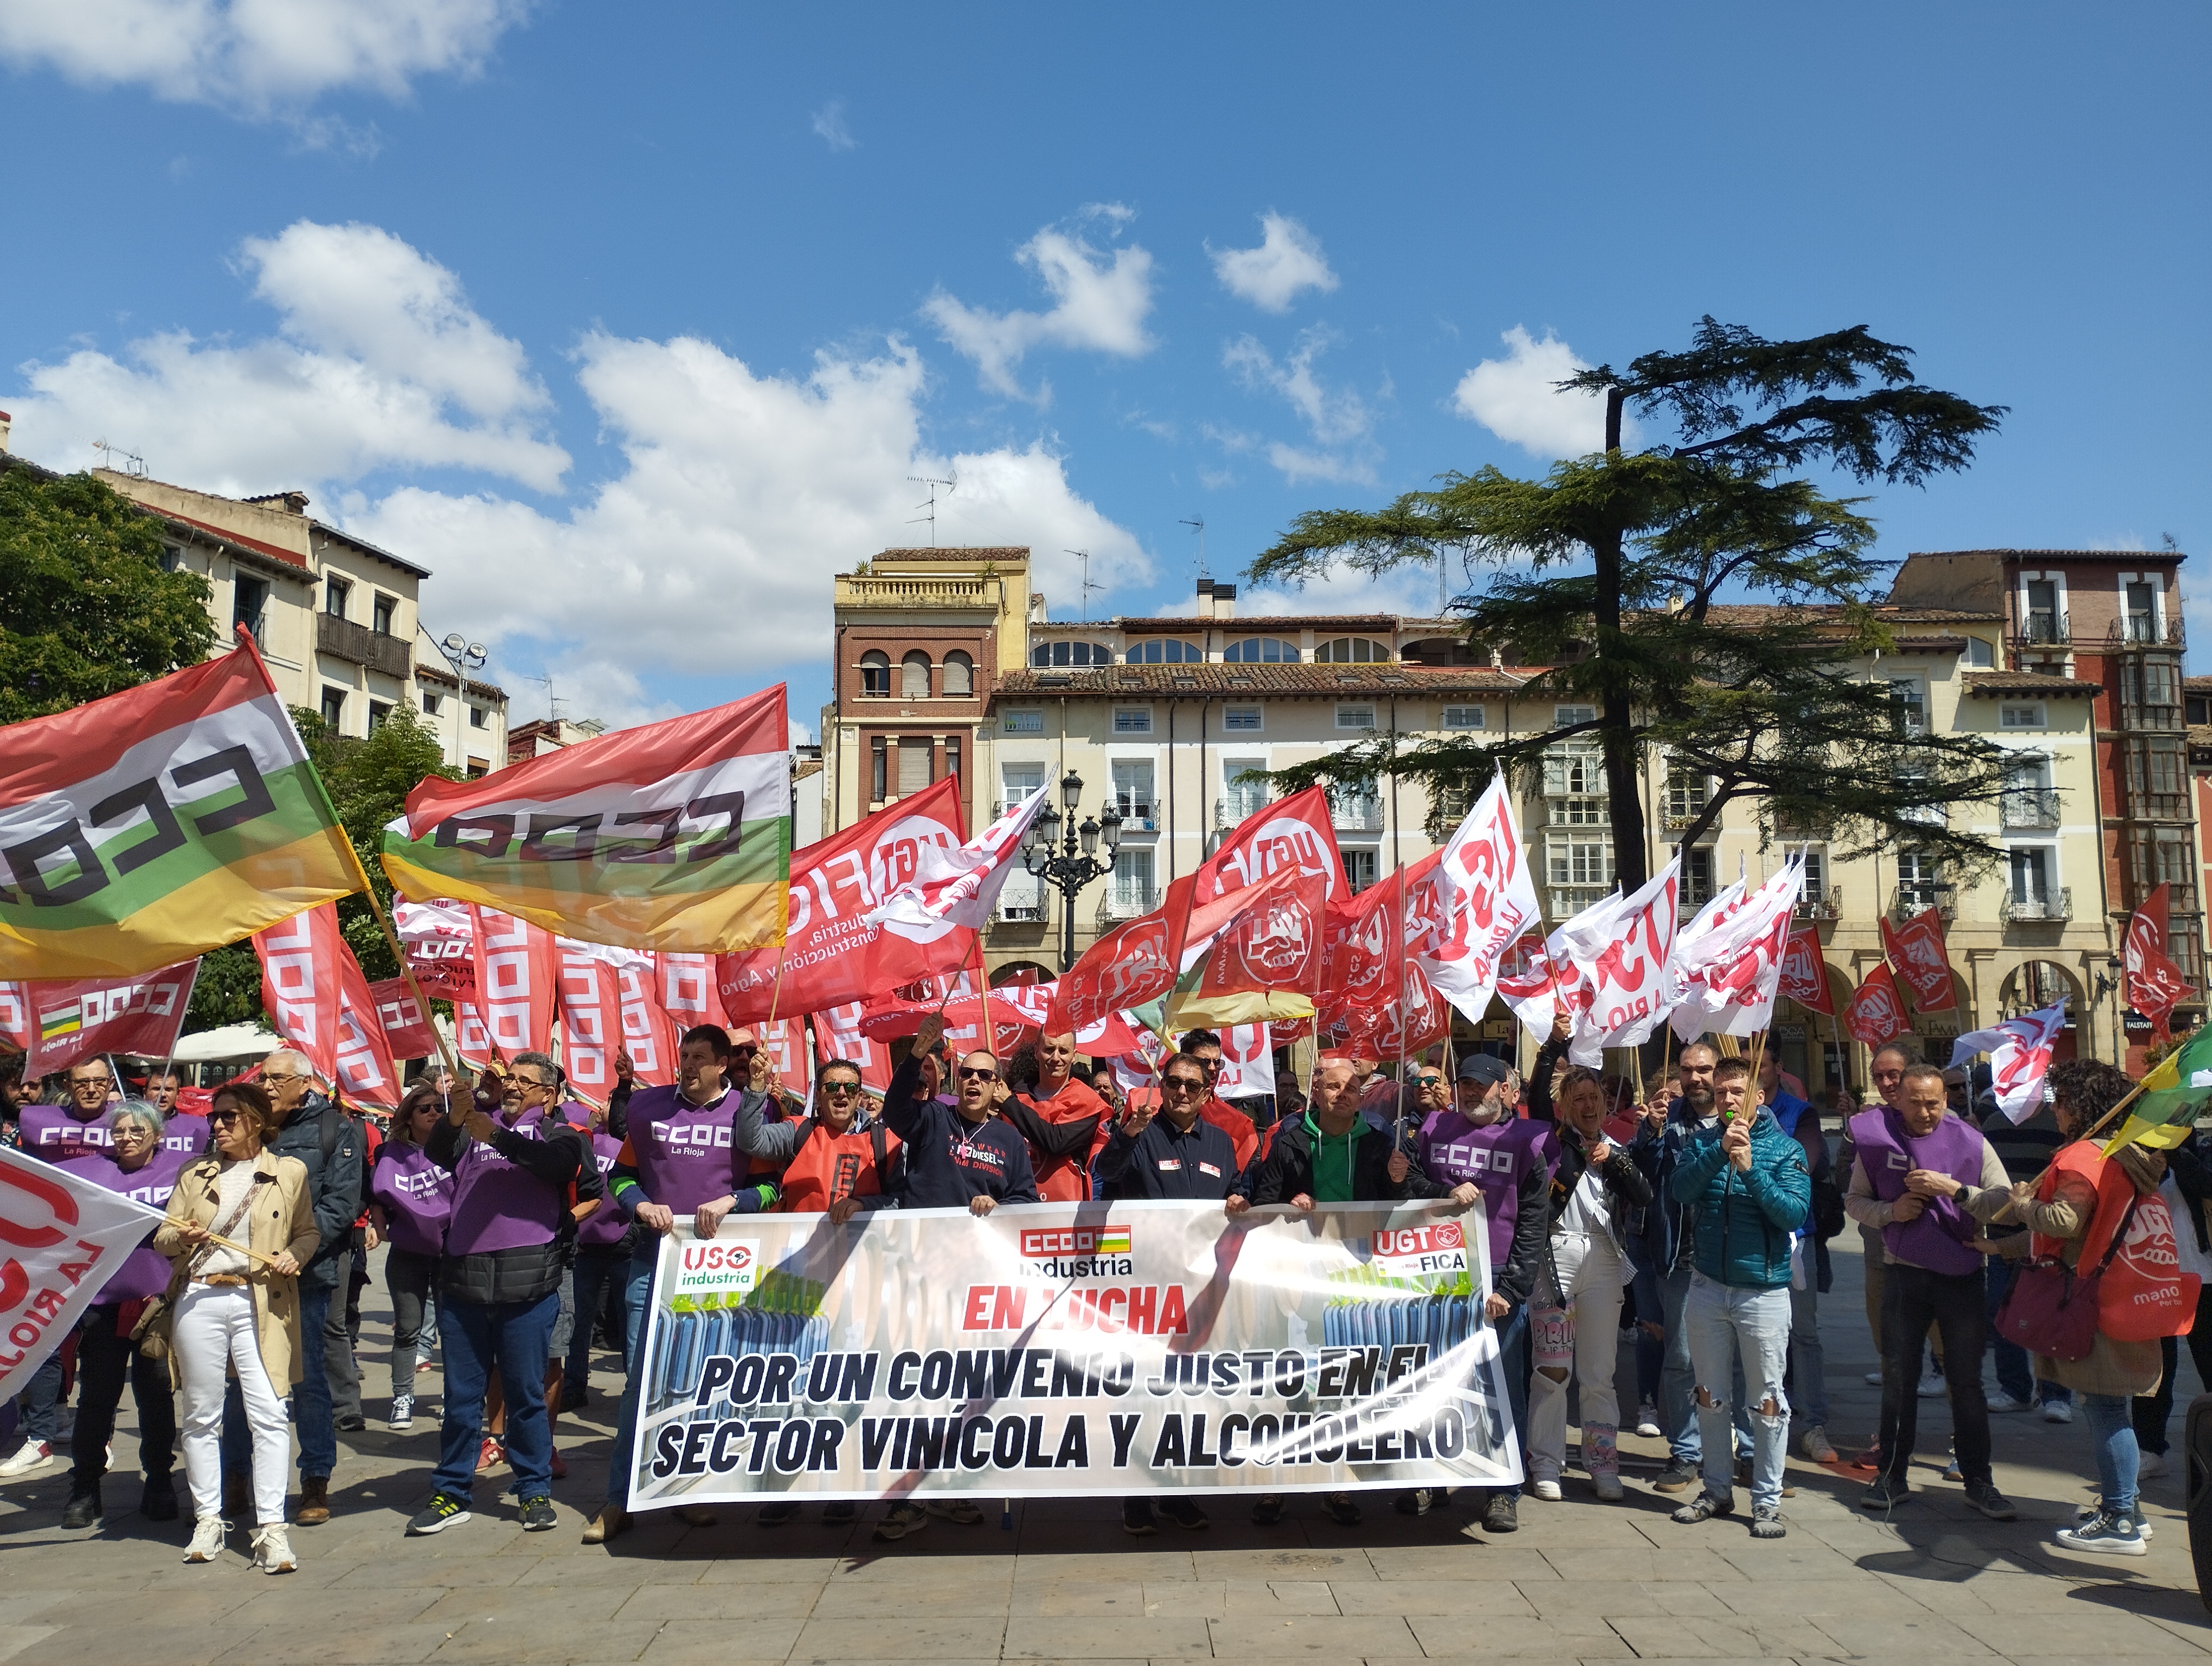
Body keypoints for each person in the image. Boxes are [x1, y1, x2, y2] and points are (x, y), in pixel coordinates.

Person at [586, 1025, 771, 1546]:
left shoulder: (747, 1112)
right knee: (642, 1381)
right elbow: (619, 1178)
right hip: (655, 1263)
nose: (688, 1065)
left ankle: (685, 1489)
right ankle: (621, 1497)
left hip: (725, 1268)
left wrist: (733, 1202)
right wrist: (639, 1205)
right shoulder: (646, 1109)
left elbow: (770, 1184)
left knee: (708, 1382)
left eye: (699, 1058)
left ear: (720, 1065)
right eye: (683, 1055)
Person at [407, 1054, 600, 1537]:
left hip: (528, 1283)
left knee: (526, 1396)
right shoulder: (477, 1125)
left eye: (523, 1081)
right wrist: (456, 1121)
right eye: (509, 1078)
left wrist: (489, 1133)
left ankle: (533, 1489)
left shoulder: (563, 1134)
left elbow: (553, 1166)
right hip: (465, 1280)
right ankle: (451, 1491)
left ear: (548, 1095)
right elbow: (438, 1154)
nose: (511, 1085)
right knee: (460, 1398)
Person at [870, 1016, 1037, 1543]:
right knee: (916, 1388)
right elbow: (895, 1112)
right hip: (919, 1275)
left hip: (977, 1285)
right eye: (966, 1073)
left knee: (963, 1389)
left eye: (984, 1077)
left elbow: (1028, 1204)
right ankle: (904, 1498)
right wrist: (909, 1063)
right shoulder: (931, 1121)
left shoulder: (1010, 1142)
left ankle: (950, 1488)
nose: (972, 1081)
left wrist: (1002, 1205)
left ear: (996, 1088)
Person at [1996, 1059, 2174, 1555]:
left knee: (2106, 1406)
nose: (2054, 1111)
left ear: (2078, 1106)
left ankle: (2118, 1516)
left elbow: (2062, 1221)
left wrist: (2021, 1202)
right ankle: (2130, 1509)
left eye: (2059, 1101)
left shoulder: (2082, 1157)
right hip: (2130, 1290)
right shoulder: (2128, 1154)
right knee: (2116, 1405)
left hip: (2093, 1295)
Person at [155, 1082, 318, 1574]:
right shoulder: (194, 1173)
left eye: (229, 1117)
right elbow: (162, 1235)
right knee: (202, 1414)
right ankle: (209, 1518)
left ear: (256, 1120)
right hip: (200, 1296)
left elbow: (307, 1231)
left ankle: (273, 1528)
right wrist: (181, 1236)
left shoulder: (287, 1173)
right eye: (215, 1118)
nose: (219, 1126)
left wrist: (295, 1254)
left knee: (269, 1411)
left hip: (261, 1299)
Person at [1844, 1061, 2017, 1518]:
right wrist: (1891, 1212)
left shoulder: (1971, 1141)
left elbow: (2004, 1204)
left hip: (1960, 1275)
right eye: (1916, 1103)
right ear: (1897, 1099)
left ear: (1947, 1100)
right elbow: (1854, 1201)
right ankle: (1892, 1475)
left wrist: (1955, 1190)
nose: (1925, 1113)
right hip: (1903, 1273)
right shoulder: (1876, 1140)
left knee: (1967, 1382)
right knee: (1899, 1377)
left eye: (1934, 1103)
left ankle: (1979, 1480)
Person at [1248, 1057, 1415, 1529]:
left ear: (1362, 1095)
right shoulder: (1290, 1141)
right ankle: (1276, 1484)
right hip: (1297, 1280)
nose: (1343, 1094)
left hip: (1355, 1283)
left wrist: (1402, 1180)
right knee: (1289, 1383)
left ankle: (1337, 1484)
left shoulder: (1382, 1144)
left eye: (1352, 1087)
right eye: (1333, 1086)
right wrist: (1288, 1203)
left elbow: (1404, 1202)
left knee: (1340, 1386)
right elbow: (1264, 1199)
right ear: (1316, 1092)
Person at [1097, 1050, 1253, 1535]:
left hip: (1200, 1289)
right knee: (1142, 1390)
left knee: (1187, 1391)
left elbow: (1237, 1191)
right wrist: (1128, 1133)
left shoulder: (1223, 1143)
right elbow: (1107, 1169)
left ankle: (1178, 1492)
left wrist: (1237, 1197)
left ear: (1207, 1092)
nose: (1181, 1092)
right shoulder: (1141, 1133)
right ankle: (1135, 1497)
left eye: (1192, 1085)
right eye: (1173, 1083)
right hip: (1147, 1285)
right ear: (1161, 1086)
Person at [743, 1057, 901, 1530]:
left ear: (860, 1094)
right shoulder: (795, 1131)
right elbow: (750, 1141)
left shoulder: (883, 1141)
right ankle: (783, 1485)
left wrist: (865, 1202)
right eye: (831, 1086)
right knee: (788, 1383)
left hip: (855, 1279)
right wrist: (754, 1091)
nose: (839, 1094)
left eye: (849, 1088)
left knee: (842, 1383)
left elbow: (904, 1199)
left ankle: (836, 1483)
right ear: (819, 1091)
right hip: (796, 1279)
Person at [1666, 1055, 1809, 1540]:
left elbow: (1792, 1214)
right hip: (1708, 1287)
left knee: (1767, 1399)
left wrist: (1749, 1168)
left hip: (1762, 1292)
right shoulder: (1705, 1142)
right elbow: (1681, 1191)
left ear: (1758, 1097)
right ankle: (1716, 1489)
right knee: (1710, 1396)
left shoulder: (1785, 1150)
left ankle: (1766, 1500)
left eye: (1738, 1093)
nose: (1728, 1100)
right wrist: (1717, 1154)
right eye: (1722, 1092)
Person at [1410, 1052, 1555, 1533]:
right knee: (1433, 1377)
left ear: (1505, 1090)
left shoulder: (1529, 1141)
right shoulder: (1432, 1127)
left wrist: (1512, 1286)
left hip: (1496, 1276)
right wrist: (1431, 1184)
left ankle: (1503, 1489)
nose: (1473, 1092)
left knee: (1501, 1382)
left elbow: (1534, 1221)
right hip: (1436, 1273)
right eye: (1465, 1085)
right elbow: (1409, 1186)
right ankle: (1432, 1474)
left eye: (1483, 1085)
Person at [219, 1049, 364, 1529]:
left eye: (278, 1078)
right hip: (243, 1274)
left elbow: (339, 1205)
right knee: (241, 1379)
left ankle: (315, 1480)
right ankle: (235, 1477)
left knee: (307, 1380)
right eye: (264, 1077)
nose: (268, 1085)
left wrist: (291, 1249)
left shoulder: (335, 1129)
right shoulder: (243, 1124)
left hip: (305, 1275)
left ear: (306, 1083)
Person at [57, 1099, 192, 1527]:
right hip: (102, 1304)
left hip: (155, 1304)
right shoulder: (91, 1172)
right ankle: (85, 1488)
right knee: (97, 1398)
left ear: (157, 1135)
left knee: (155, 1397)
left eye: (137, 1132)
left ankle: (158, 1482)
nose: (127, 1139)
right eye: (119, 1132)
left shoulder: (183, 1169)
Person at [1527, 1065, 1651, 1504]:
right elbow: (1539, 1097)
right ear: (1564, 1105)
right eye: (1577, 1098)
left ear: (1605, 1100)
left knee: (1600, 1373)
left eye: (1593, 1096)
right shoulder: (1551, 1145)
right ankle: (1545, 1461)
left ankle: (1602, 1463)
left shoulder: (1617, 1148)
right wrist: (1555, 1049)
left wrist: (1614, 1160)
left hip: (1603, 1260)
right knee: (1552, 1368)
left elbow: (1644, 1197)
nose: (1588, 1105)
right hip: (1556, 1257)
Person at [1633, 1041, 1746, 1495]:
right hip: (1680, 1256)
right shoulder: (1668, 1119)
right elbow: (1641, 1178)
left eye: (1705, 1070)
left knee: (1739, 1363)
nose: (1696, 1078)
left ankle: (1751, 1456)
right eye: (1688, 1070)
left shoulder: (1746, 1119)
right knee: (1680, 1361)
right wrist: (1650, 1134)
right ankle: (1685, 1454)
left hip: (1734, 1257)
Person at [1757, 1048, 1837, 1465]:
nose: (1757, 1071)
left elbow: (1803, 1163)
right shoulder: (1730, 1112)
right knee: (1752, 1339)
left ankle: (1811, 1422)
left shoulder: (1800, 1112)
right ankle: (1755, 1425)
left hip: (1794, 1237)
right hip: (1749, 1241)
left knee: (1803, 1334)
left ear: (1777, 1068)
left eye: (1763, 1064)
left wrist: (1755, 1164)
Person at [367, 1084, 454, 1431]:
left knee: (454, 1330)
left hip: (450, 1252)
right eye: (425, 1109)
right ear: (409, 1117)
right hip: (407, 1254)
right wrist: (379, 1227)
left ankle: (454, 1398)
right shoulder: (390, 1153)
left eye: (438, 1107)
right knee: (407, 1329)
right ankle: (402, 1399)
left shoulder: (454, 1147)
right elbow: (374, 1197)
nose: (434, 1113)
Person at [2132, 1124, 2212, 1478]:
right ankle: (2149, 1450)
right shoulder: (2141, 1168)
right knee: (2154, 1372)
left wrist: (2176, 1154)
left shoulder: (2199, 1157)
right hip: (2156, 1281)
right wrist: (2149, 1166)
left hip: (2204, 1281)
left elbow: (2205, 1183)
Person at [562, 1094, 633, 1412]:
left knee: (631, 1324)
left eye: (608, 1102)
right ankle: (574, 1387)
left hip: (624, 1248)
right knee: (579, 1322)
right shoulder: (585, 1142)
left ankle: (633, 1391)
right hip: (587, 1247)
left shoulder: (630, 1146)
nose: (600, 1106)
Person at [996, 1030, 1113, 1201]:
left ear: (1074, 1056)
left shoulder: (1088, 1101)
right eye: (1049, 1049)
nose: (1056, 1058)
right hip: (1015, 1204)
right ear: (1037, 1052)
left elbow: (1056, 1142)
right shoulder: (1015, 1097)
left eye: (1063, 1051)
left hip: (1064, 1212)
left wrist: (1009, 1103)